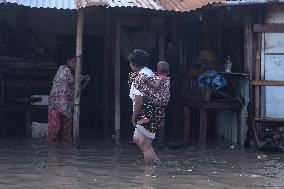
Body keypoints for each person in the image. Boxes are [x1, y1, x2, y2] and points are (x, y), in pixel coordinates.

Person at [128, 49, 170, 166]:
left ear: (135, 64)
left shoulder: (140, 78)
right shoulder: (150, 72)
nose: (130, 65)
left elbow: (139, 103)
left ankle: (149, 175)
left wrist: (133, 118)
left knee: (144, 145)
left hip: (148, 113)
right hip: (153, 112)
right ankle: (157, 162)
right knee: (137, 138)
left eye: (131, 63)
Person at [48, 51, 90, 143]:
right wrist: (82, 77)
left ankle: (65, 154)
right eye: (74, 61)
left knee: (67, 135)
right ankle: (51, 154)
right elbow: (73, 80)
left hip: (67, 107)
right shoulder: (63, 69)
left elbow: (78, 90)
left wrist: (85, 82)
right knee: (53, 131)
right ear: (68, 61)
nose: (77, 64)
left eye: (78, 62)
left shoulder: (73, 74)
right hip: (56, 105)